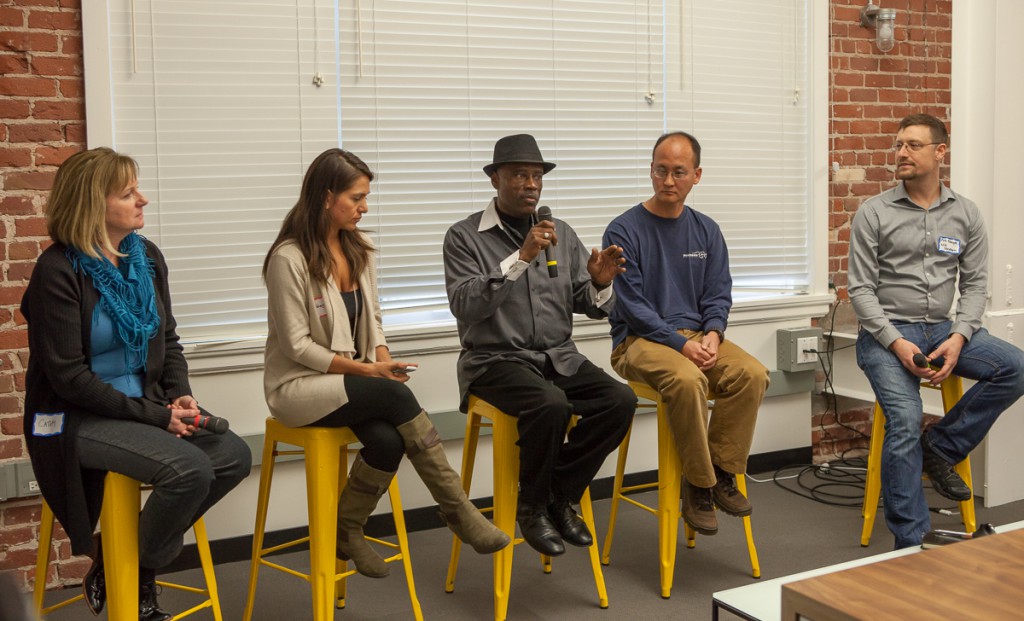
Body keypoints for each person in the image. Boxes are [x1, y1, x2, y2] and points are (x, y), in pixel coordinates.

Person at [21, 148, 252, 621]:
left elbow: (166, 339)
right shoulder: (57, 272)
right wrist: (159, 417)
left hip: (143, 404)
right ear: (92, 204)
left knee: (231, 455)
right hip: (73, 416)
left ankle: (122, 561)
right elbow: (69, 378)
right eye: (127, 193)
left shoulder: (145, 257)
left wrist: (178, 392)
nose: (142, 199)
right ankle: (141, 575)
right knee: (188, 469)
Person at [262, 148, 509, 578]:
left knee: (388, 442)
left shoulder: (361, 248)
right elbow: (298, 347)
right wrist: (368, 372)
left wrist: (382, 359)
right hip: (298, 387)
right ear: (325, 196)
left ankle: (347, 528)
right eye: (356, 198)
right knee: (394, 397)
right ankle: (458, 510)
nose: (365, 207)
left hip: (348, 383)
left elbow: (373, 319)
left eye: (365, 197)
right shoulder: (289, 258)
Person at [442, 134, 636, 557]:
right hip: (495, 360)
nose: (531, 184)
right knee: (550, 405)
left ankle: (558, 496)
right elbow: (465, 304)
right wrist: (521, 258)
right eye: (518, 175)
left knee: (619, 400)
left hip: (558, 357)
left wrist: (601, 281)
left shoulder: (561, 233)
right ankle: (530, 509)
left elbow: (588, 303)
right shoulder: (463, 237)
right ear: (495, 179)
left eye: (536, 176)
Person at [849, 113, 1024, 549]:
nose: (901, 153)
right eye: (898, 145)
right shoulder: (874, 212)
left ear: (939, 151)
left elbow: (975, 285)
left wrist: (960, 336)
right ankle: (910, 543)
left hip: (945, 330)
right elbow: (861, 291)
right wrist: (898, 342)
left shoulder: (965, 214)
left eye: (912, 145)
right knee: (905, 418)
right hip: (886, 336)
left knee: (1017, 367)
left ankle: (942, 447)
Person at [603, 131, 769, 537]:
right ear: (651, 171)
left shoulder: (707, 231)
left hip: (697, 335)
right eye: (661, 170)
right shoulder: (623, 230)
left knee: (752, 374)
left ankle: (720, 472)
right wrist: (681, 344)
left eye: (678, 172)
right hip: (638, 341)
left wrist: (713, 333)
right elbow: (632, 306)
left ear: (696, 175)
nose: (668, 180)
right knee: (686, 377)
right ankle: (699, 484)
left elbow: (718, 292)